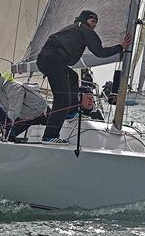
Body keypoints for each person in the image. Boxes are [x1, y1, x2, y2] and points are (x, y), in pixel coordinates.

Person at [36, 10, 130, 143]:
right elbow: (100, 52)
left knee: (73, 76)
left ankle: (71, 112)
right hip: (55, 60)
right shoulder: (85, 30)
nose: (94, 26)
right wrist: (120, 46)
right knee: (62, 99)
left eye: (95, 24)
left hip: (46, 60)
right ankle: (49, 136)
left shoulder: (73, 28)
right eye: (92, 22)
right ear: (85, 20)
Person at [0, 69, 48, 140]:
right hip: (25, 117)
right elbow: (6, 112)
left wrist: (2, 128)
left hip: (41, 113)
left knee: (8, 135)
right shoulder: (0, 92)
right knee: (9, 137)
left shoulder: (13, 87)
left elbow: (13, 111)